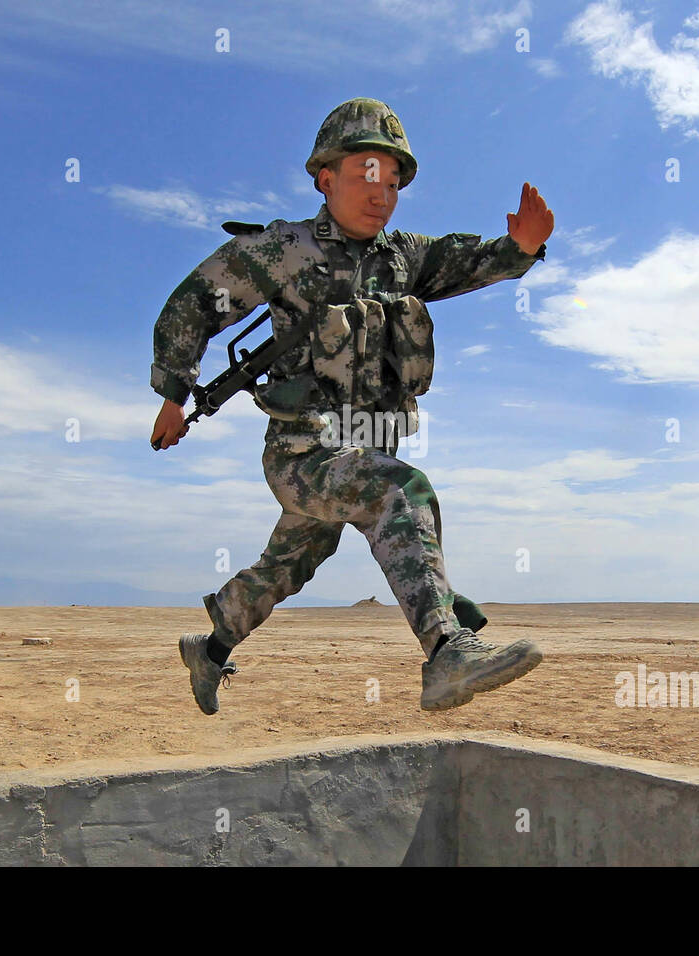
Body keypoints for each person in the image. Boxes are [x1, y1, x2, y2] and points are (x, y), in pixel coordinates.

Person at [150, 98, 554, 715]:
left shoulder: (402, 258)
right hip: (303, 454)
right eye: (367, 175)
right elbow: (193, 304)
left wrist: (519, 247)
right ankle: (446, 650)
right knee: (401, 491)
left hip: (362, 446)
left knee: (291, 563)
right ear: (326, 178)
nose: (380, 194)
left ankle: (208, 650)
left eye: (392, 182)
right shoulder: (282, 250)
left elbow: (467, 260)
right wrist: (174, 395)